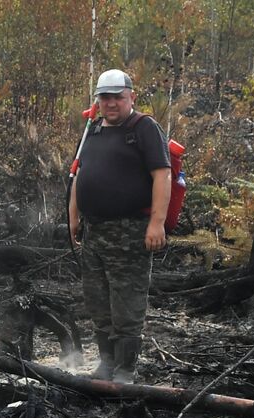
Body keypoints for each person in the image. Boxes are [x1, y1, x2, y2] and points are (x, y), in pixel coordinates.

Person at [68, 69, 172, 383]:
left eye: (117, 97)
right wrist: (73, 217)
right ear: (97, 100)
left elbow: (162, 175)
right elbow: (79, 175)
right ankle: (106, 363)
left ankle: (126, 369)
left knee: (127, 302)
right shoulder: (92, 130)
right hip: (94, 231)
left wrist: (157, 223)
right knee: (98, 301)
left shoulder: (144, 128)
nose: (111, 103)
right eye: (105, 97)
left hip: (130, 231)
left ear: (131, 97)